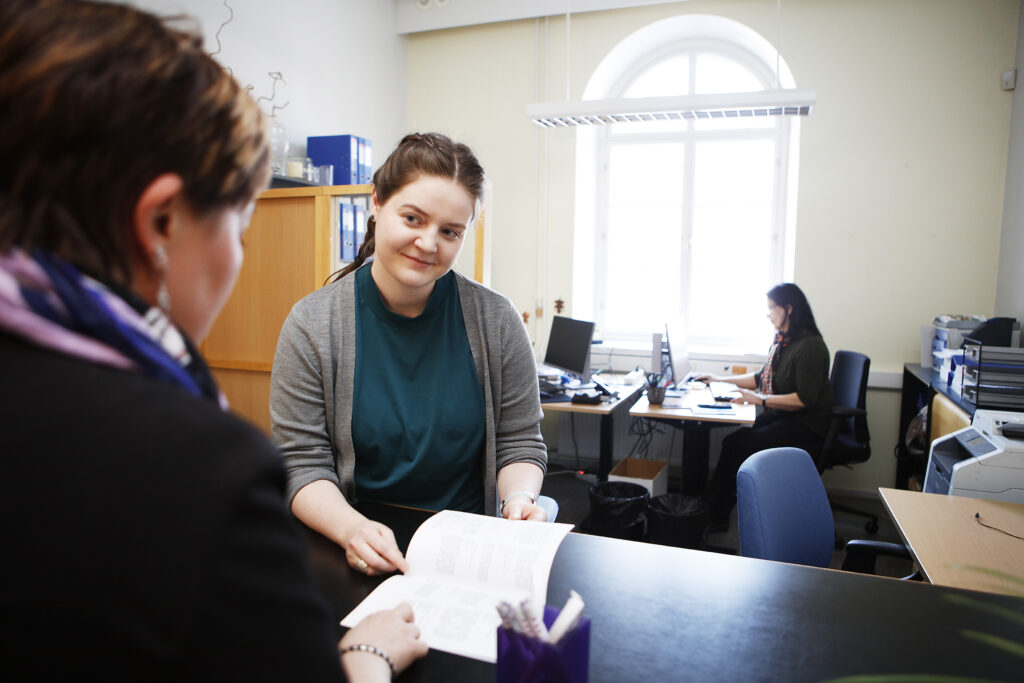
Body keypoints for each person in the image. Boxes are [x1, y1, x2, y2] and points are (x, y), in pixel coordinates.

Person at [0, 2, 425, 680]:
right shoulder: (193, 470)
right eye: (240, 227)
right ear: (162, 221)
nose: (240, 257)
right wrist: (364, 656)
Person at [270, 133, 548, 576]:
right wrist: (352, 529)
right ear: (377, 203)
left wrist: (518, 501)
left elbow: (519, 441)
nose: (428, 243)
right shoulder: (312, 324)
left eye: (450, 231)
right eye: (413, 218)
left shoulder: (496, 320)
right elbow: (299, 462)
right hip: (356, 545)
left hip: (467, 550)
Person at [695, 283, 832, 530]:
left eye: (771, 308)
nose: (768, 314)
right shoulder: (784, 342)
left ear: (788, 309)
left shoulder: (810, 346)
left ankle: (714, 516)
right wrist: (719, 380)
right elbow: (760, 378)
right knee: (734, 442)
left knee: (737, 444)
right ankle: (713, 508)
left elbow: (804, 400)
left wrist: (759, 399)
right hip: (784, 416)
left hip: (806, 424)